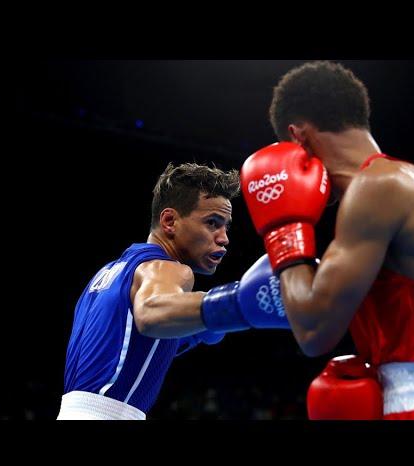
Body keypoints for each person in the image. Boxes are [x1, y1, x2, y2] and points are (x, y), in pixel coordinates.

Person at [240, 60, 414, 420]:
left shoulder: (379, 188)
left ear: (298, 137)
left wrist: (283, 228)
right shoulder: (387, 184)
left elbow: (313, 330)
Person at [57, 162, 289, 420]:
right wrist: (236, 304)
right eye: (212, 223)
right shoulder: (168, 269)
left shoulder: (109, 274)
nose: (224, 238)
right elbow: (150, 315)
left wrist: (204, 329)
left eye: (226, 226)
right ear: (169, 221)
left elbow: (132, 346)